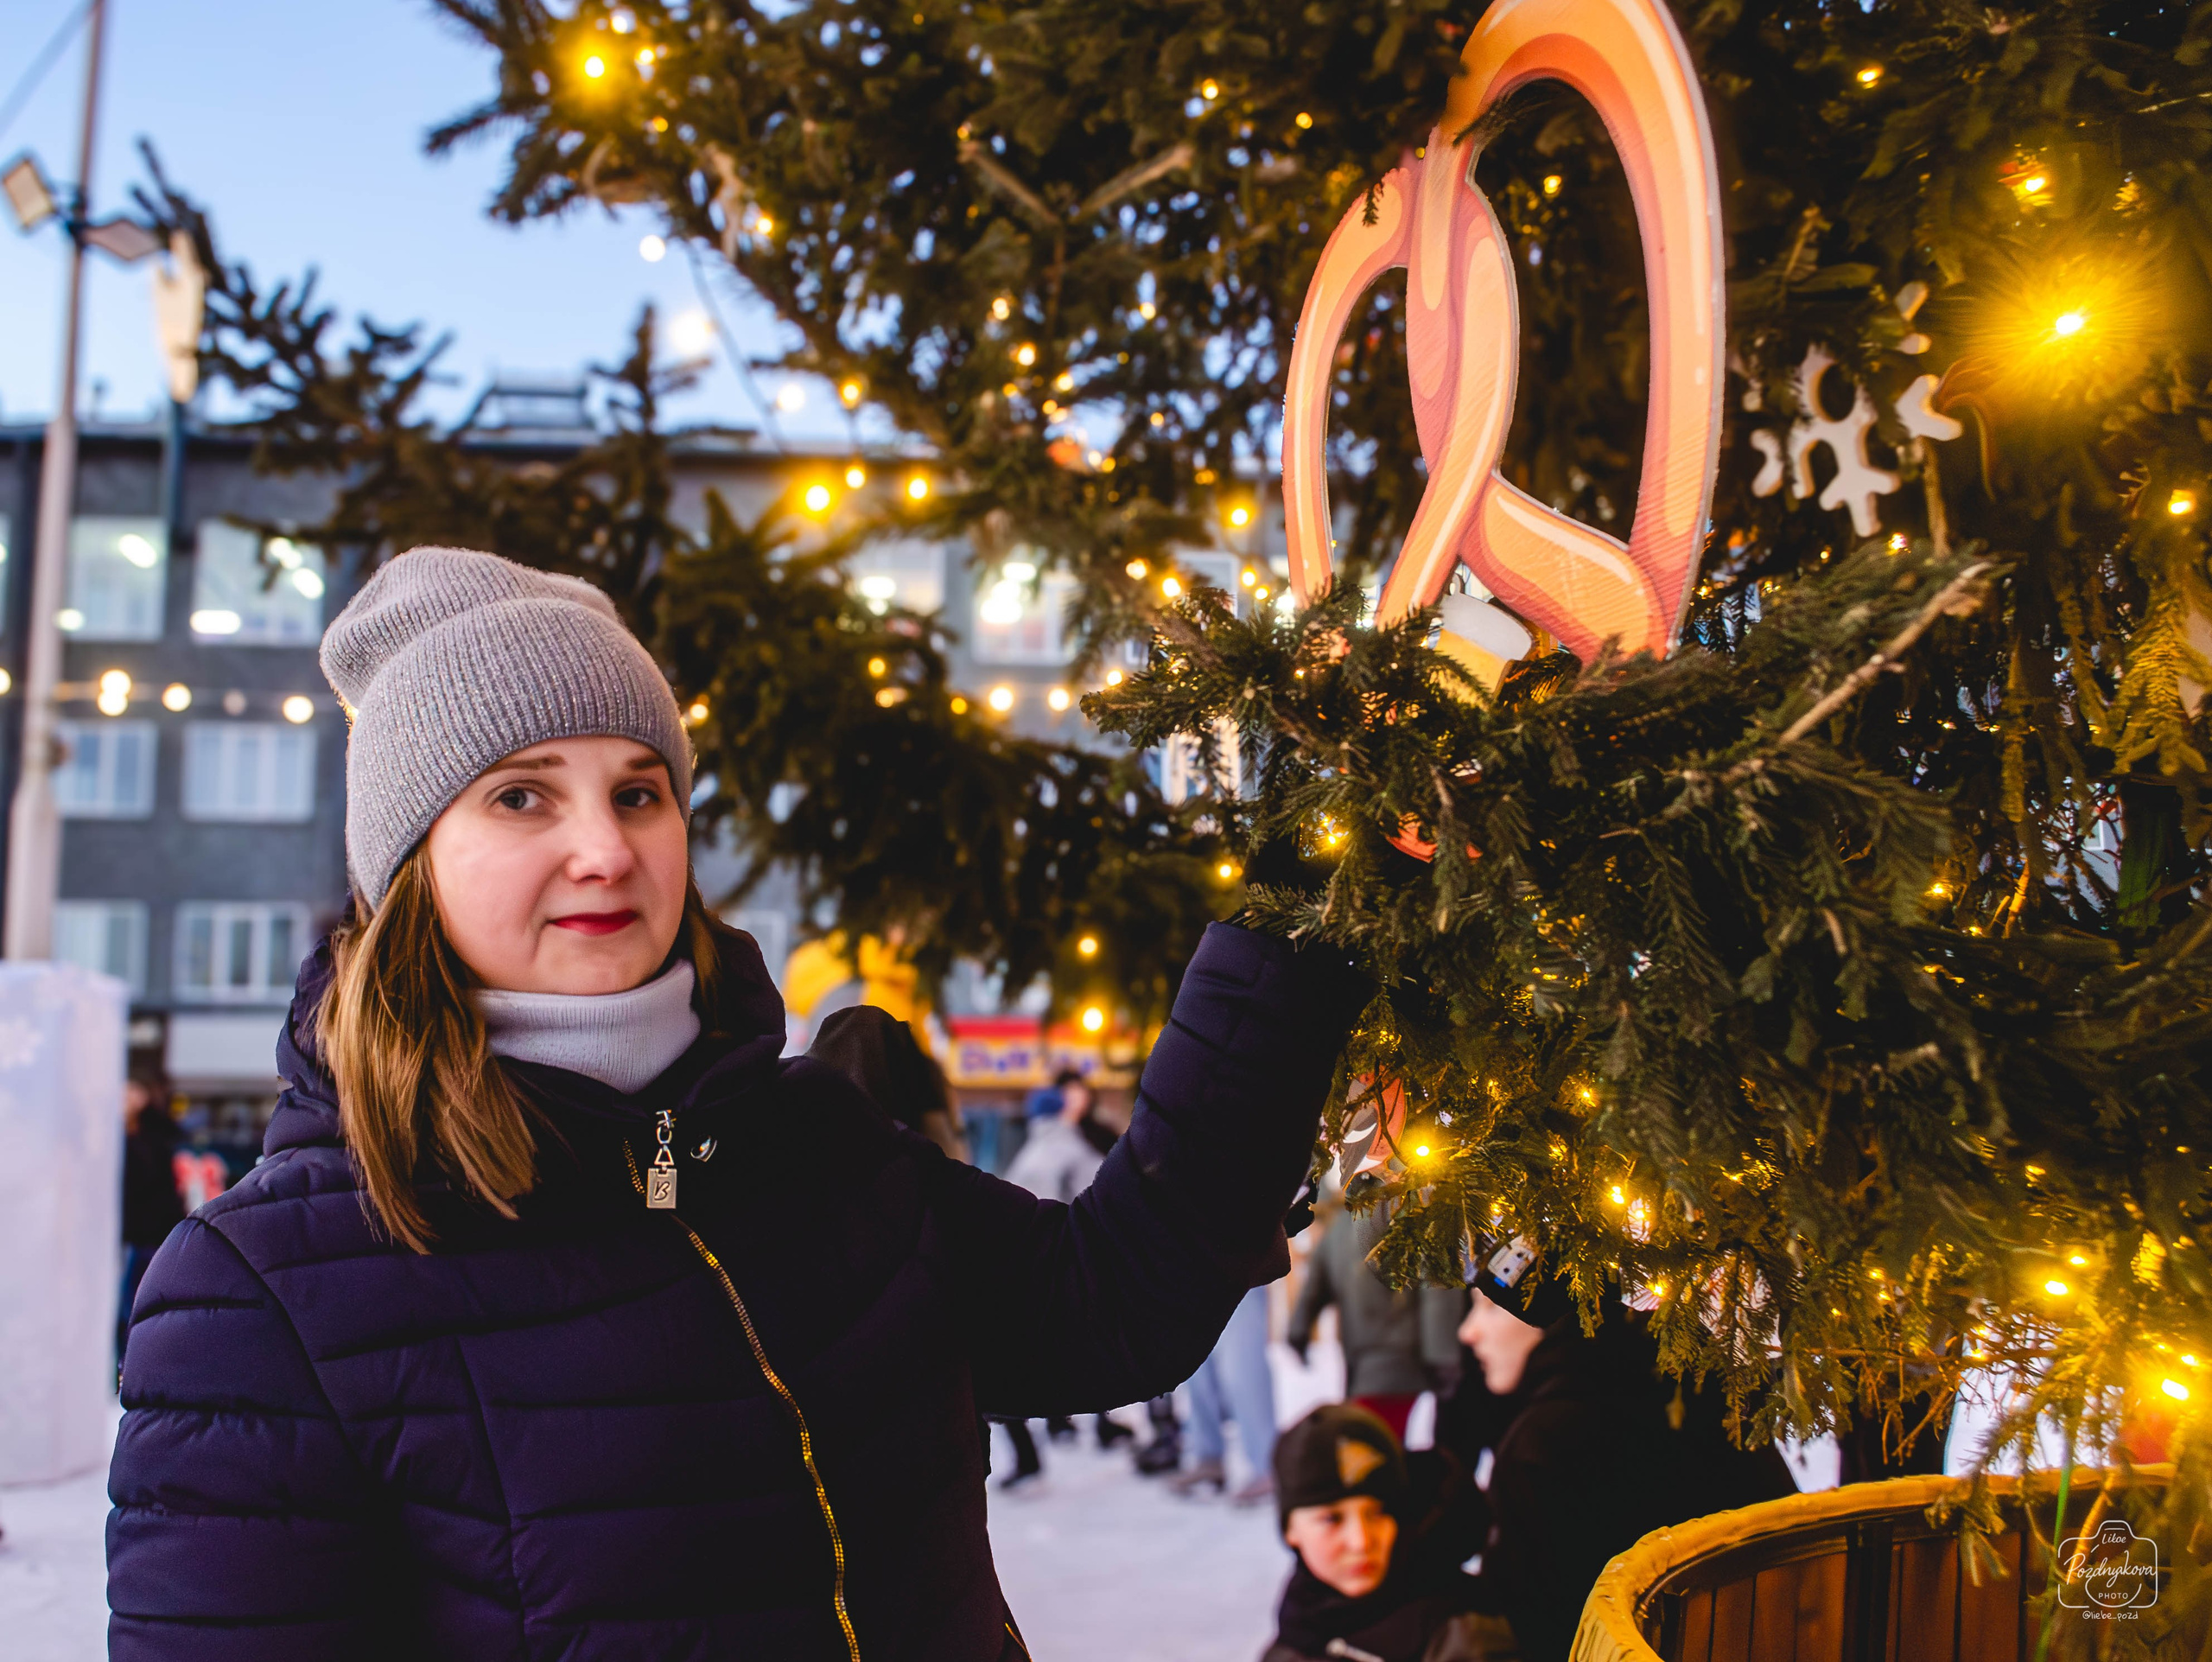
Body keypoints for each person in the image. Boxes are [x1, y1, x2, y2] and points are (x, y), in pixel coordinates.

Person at [105, 547, 1369, 1660]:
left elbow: (1112, 1302)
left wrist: (1301, 906)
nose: (605, 846)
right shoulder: (259, 1292)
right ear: (406, 867)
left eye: (640, 789)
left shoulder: (809, 1146)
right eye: (522, 794)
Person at [1437, 1244, 1797, 1662]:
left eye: (1490, 1307)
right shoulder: (1700, 1398)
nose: (1468, 1332)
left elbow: (1540, 1631)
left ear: (1550, 1316)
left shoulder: (1541, 1445)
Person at [1262, 1404, 1491, 1662]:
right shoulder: (1299, 1627)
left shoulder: (1463, 1632)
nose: (1361, 1541)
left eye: (1378, 1513)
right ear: (1290, 1530)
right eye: (1331, 1519)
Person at [997, 1067, 1137, 1479]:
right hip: (1072, 1257)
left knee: (1048, 1347)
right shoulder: (1069, 1146)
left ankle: (1056, 1432)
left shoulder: (1045, 1147)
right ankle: (1075, 1422)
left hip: (1044, 1260)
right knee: (1077, 1344)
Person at [1287, 1193, 1467, 1440]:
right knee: (1377, 1448)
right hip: (1401, 1359)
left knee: (1372, 1444)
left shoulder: (1340, 1226)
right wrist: (1442, 1356)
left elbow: (1313, 1288)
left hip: (1362, 1363)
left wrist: (1297, 1331)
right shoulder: (1418, 1218)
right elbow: (1438, 1290)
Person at [1169, 1282, 1280, 1504]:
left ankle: (1267, 1465)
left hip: (1238, 1258)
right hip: (1188, 1263)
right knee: (1196, 1367)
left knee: (1242, 1361)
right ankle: (1208, 1458)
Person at [117, 1066, 184, 1365]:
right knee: (125, 1307)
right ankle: (124, 1364)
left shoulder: (153, 1133)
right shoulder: (111, 1137)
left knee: (143, 1303)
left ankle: (138, 1362)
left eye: (133, 1092)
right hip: (128, 1233)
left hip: (152, 1232)